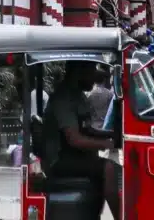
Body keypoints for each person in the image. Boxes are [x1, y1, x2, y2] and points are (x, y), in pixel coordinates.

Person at [42, 61, 119, 220]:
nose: (95, 78)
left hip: (72, 156)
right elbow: (74, 139)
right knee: (109, 168)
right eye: (92, 72)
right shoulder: (64, 98)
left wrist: (111, 134)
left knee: (104, 165)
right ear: (78, 72)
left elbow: (87, 129)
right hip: (58, 160)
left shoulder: (78, 95)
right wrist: (107, 144)